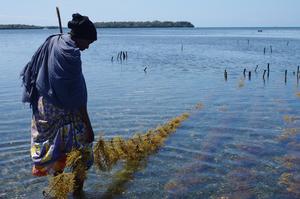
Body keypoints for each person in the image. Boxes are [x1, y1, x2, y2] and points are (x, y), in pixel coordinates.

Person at [20, 13, 97, 193]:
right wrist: (88, 125)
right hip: (64, 111)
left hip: (45, 108)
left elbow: (35, 70)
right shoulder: (71, 54)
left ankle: (59, 192)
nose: (88, 47)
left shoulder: (55, 40)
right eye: (89, 42)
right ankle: (78, 192)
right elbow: (76, 97)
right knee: (81, 154)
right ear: (81, 37)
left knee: (56, 154)